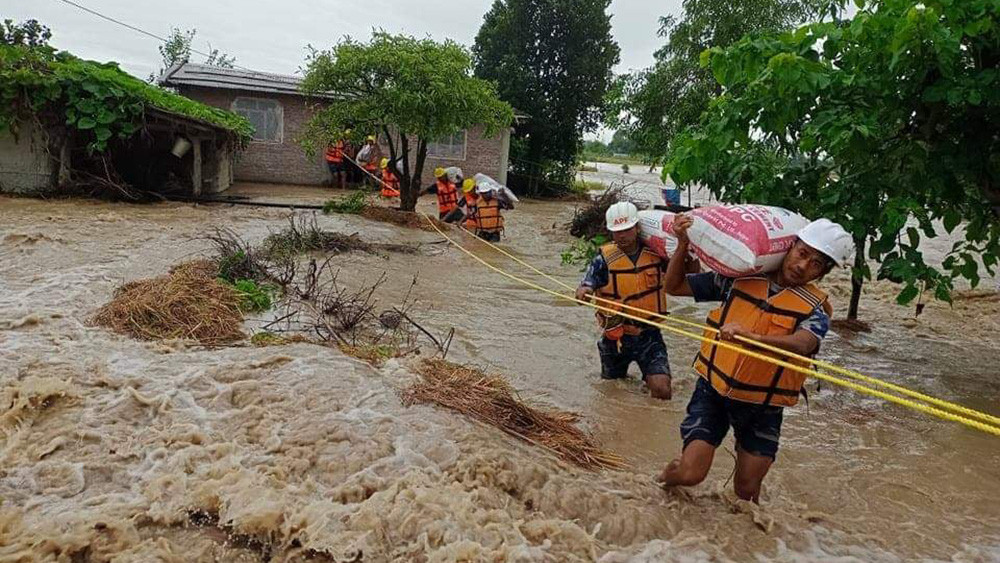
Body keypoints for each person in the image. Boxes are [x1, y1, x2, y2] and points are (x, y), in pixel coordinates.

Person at [657, 216, 854, 502]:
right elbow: (674, 287)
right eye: (802, 253)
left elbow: (803, 343)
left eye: (816, 264)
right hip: (714, 393)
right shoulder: (739, 279)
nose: (802, 266)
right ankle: (660, 483)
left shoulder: (816, 310)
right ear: (791, 246)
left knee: (747, 491)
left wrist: (754, 339)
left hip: (764, 406)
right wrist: (682, 244)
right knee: (690, 474)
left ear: (822, 272)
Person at [574, 202, 674, 400]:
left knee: (662, 391)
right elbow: (587, 283)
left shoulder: (657, 254)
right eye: (617, 231)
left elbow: (680, 277)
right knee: (611, 391)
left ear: (637, 228)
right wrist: (584, 291)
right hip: (616, 337)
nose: (622, 236)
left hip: (649, 335)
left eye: (627, 230)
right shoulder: (603, 259)